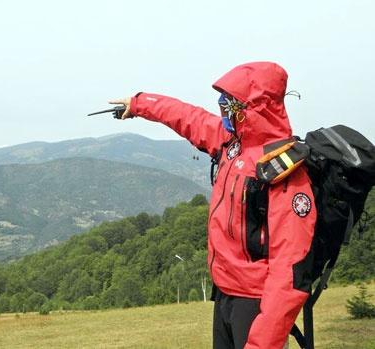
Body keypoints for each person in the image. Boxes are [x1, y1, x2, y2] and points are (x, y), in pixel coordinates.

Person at [110, 62, 316, 349]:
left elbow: (289, 272)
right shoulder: (231, 144)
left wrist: (262, 343)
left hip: (255, 301)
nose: (225, 109)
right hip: (224, 292)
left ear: (256, 107)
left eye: (232, 104)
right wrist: (140, 103)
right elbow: (187, 117)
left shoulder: (285, 172)